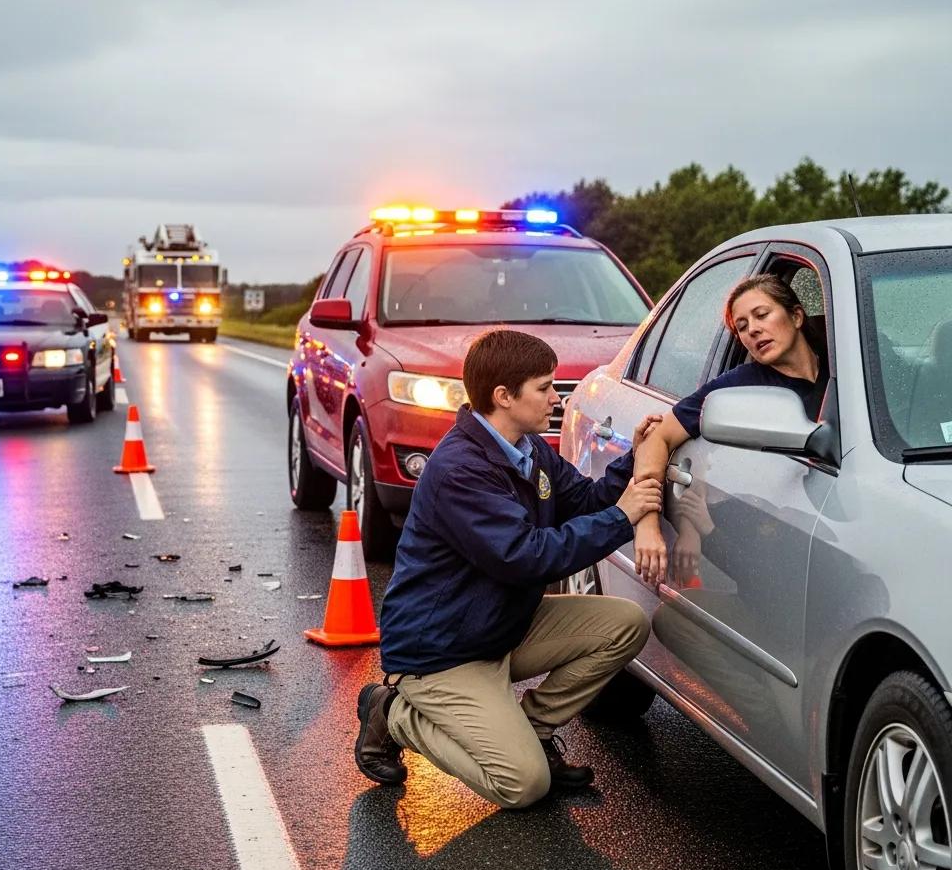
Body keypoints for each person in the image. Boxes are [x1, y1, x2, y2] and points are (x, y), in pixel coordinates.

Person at [353, 328, 664, 809]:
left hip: (500, 627)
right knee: (523, 785)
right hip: (442, 652)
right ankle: (392, 713)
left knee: (625, 623)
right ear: (504, 396)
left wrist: (632, 460)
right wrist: (623, 518)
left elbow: (583, 500)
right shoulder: (461, 470)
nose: (556, 398)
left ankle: (534, 730)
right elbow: (525, 557)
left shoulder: (528, 448)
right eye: (544, 387)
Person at [632, 273, 829, 586]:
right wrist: (646, 523)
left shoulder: (844, 364)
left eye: (761, 315)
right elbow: (658, 437)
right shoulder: (742, 384)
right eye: (742, 326)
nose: (753, 330)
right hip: (775, 532)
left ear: (796, 316)